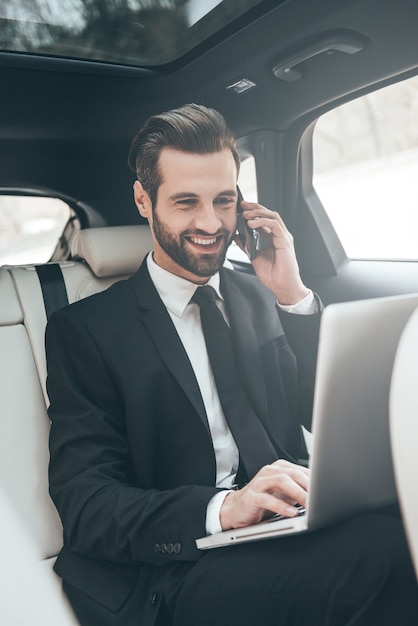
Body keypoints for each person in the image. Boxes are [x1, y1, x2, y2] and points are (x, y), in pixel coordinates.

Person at [46, 103, 418, 626]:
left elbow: (325, 412)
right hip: (182, 561)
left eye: (224, 201)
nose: (210, 223)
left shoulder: (260, 294)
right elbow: (88, 507)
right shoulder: (85, 331)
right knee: (378, 560)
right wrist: (225, 508)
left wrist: (293, 297)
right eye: (185, 202)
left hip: (289, 522)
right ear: (143, 201)